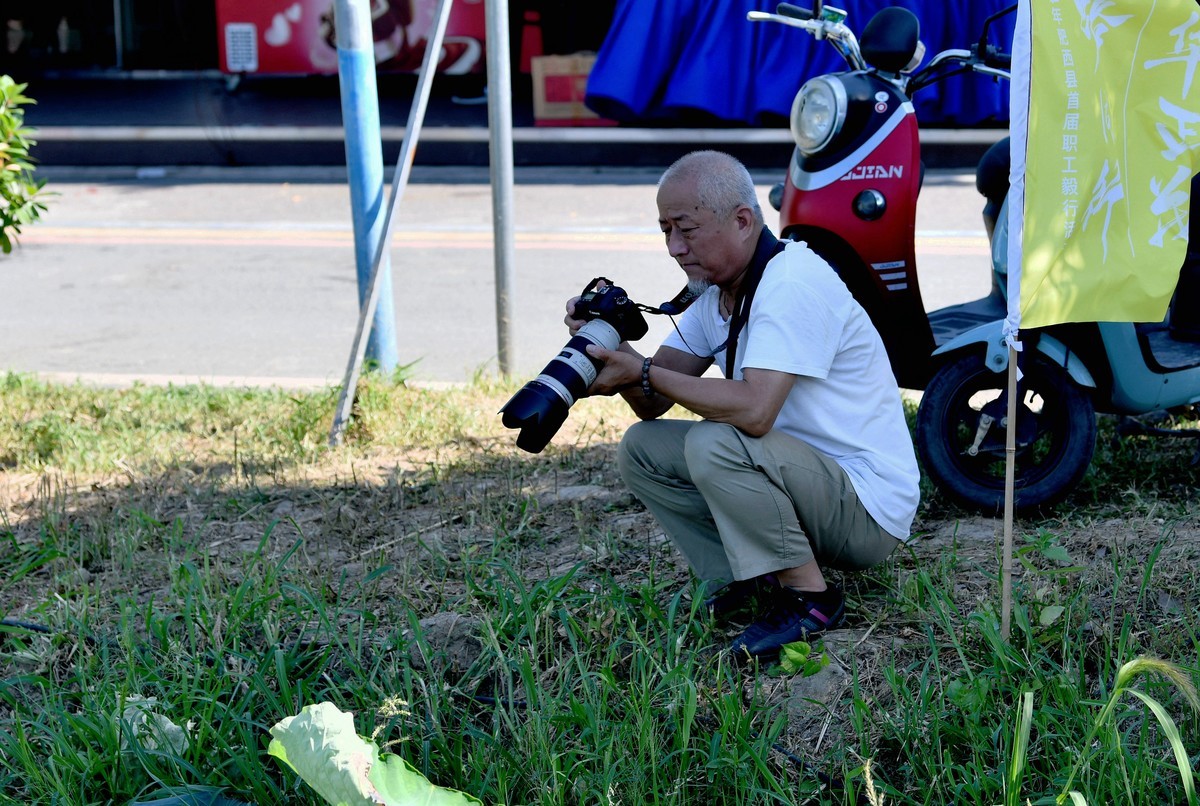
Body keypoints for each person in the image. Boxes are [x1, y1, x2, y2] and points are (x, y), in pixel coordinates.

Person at [565, 150, 920, 662]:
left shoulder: (790, 281)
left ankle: (810, 598)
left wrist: (639, 369)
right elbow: (653, 400)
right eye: (665, 230)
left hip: (865, 509)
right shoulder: (717, 295)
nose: (673, 248)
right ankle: (749, 580)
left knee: (716, 440)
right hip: (803, 481)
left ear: (742, 220)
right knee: (642, 449)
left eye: (686, 229)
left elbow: (755, 411)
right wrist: (608, 347)